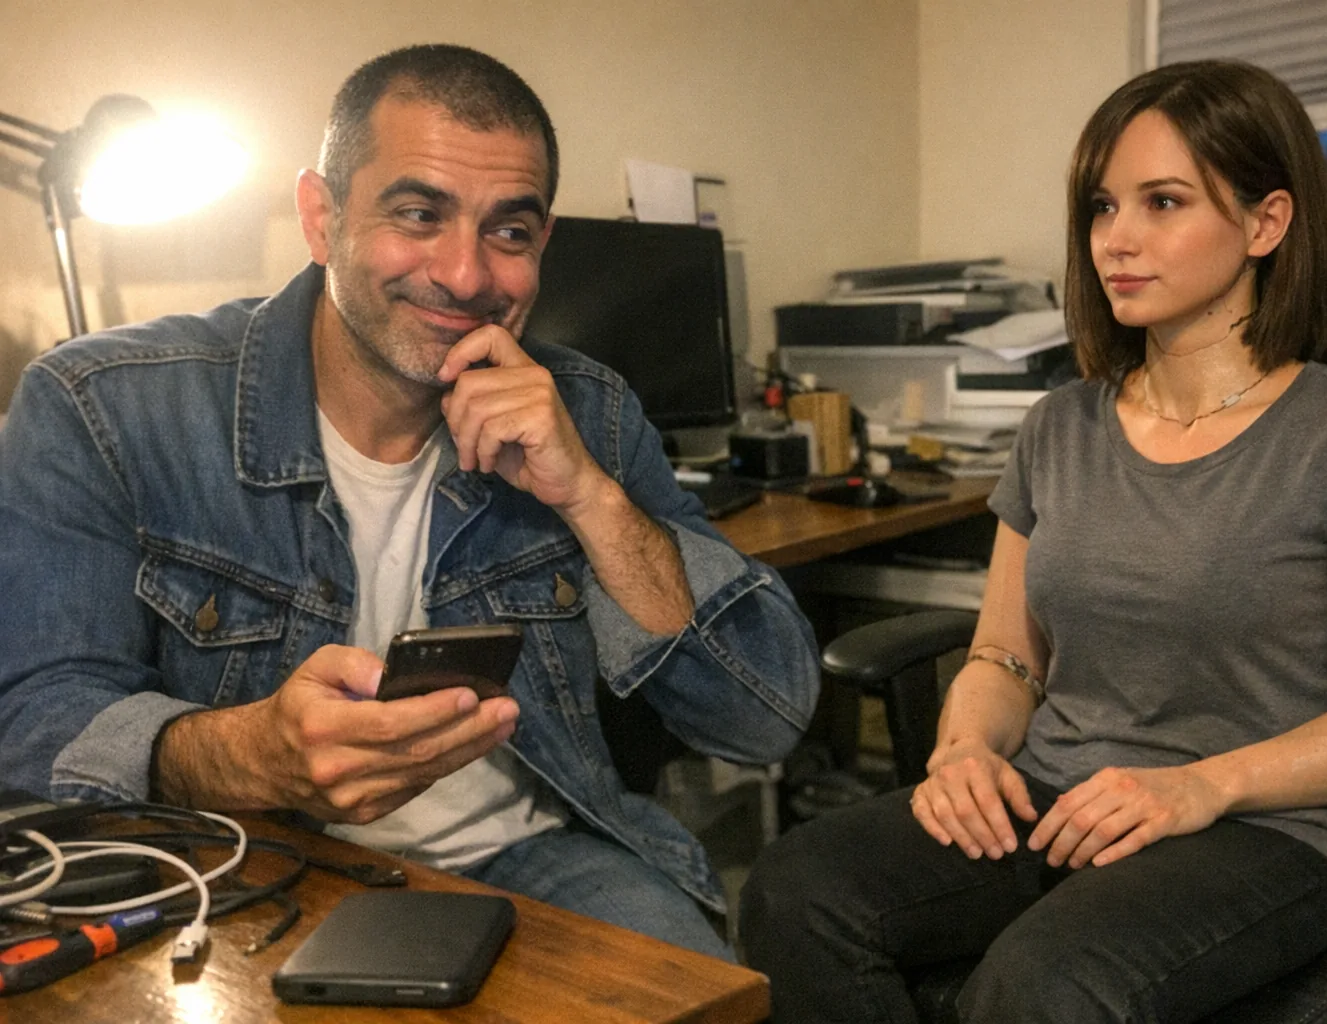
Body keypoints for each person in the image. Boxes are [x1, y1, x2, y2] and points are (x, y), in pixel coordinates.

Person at [0, 44, 819, 960]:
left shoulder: (587, 408)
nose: (467, 277)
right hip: (237, 859)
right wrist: (248, 753)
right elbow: (31, 725)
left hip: (533, 855)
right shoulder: (103, 405)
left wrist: (588, 494)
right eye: (419, 213)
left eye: (508, 232)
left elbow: (763, 719)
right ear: (322, 217)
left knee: (697, 988)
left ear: (541, 244)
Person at [739, 59, 1327, 1021]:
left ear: (1265, 222)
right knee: (797, 893)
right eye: (1100, 208)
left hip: (1270, 827)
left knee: (1043, 986)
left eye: (1162, 202)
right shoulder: (1059, 427)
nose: (1114, 241)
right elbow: (1006, 655)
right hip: (1061, 795)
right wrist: (962, 750)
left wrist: (1200, 788)